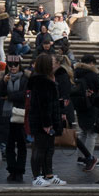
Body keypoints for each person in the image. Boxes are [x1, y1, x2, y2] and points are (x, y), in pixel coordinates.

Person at [28, 53, 67, 187]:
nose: (53, 65)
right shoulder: (41, 81)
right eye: (51, 63)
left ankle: (48, 174)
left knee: (48, 148)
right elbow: (43, 104)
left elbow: (49, 101)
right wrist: (46, 123)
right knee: (40, 148)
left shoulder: (46, 79)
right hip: (43, 121)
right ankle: (36, 176)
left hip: (48, 119)